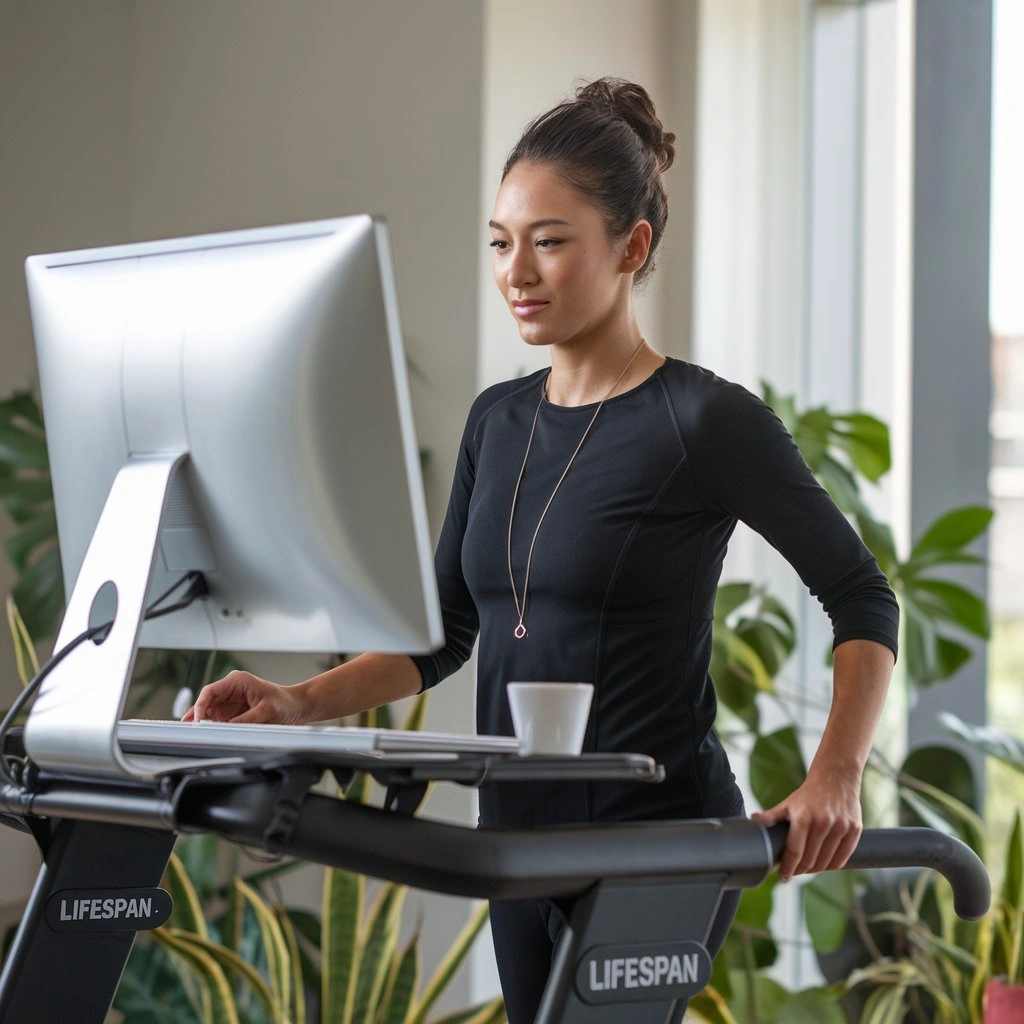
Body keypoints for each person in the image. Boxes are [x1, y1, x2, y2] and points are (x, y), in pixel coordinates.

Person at [185, 78, 899, 1023]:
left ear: (631, 246)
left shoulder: (705, 421)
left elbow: (861, 596)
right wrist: (298, 702)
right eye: (501, 242)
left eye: (550, 241)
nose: (517, 270)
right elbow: (443, 633)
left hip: (660, 839)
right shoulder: (498, 420)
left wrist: (834, 776)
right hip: (516, 838)